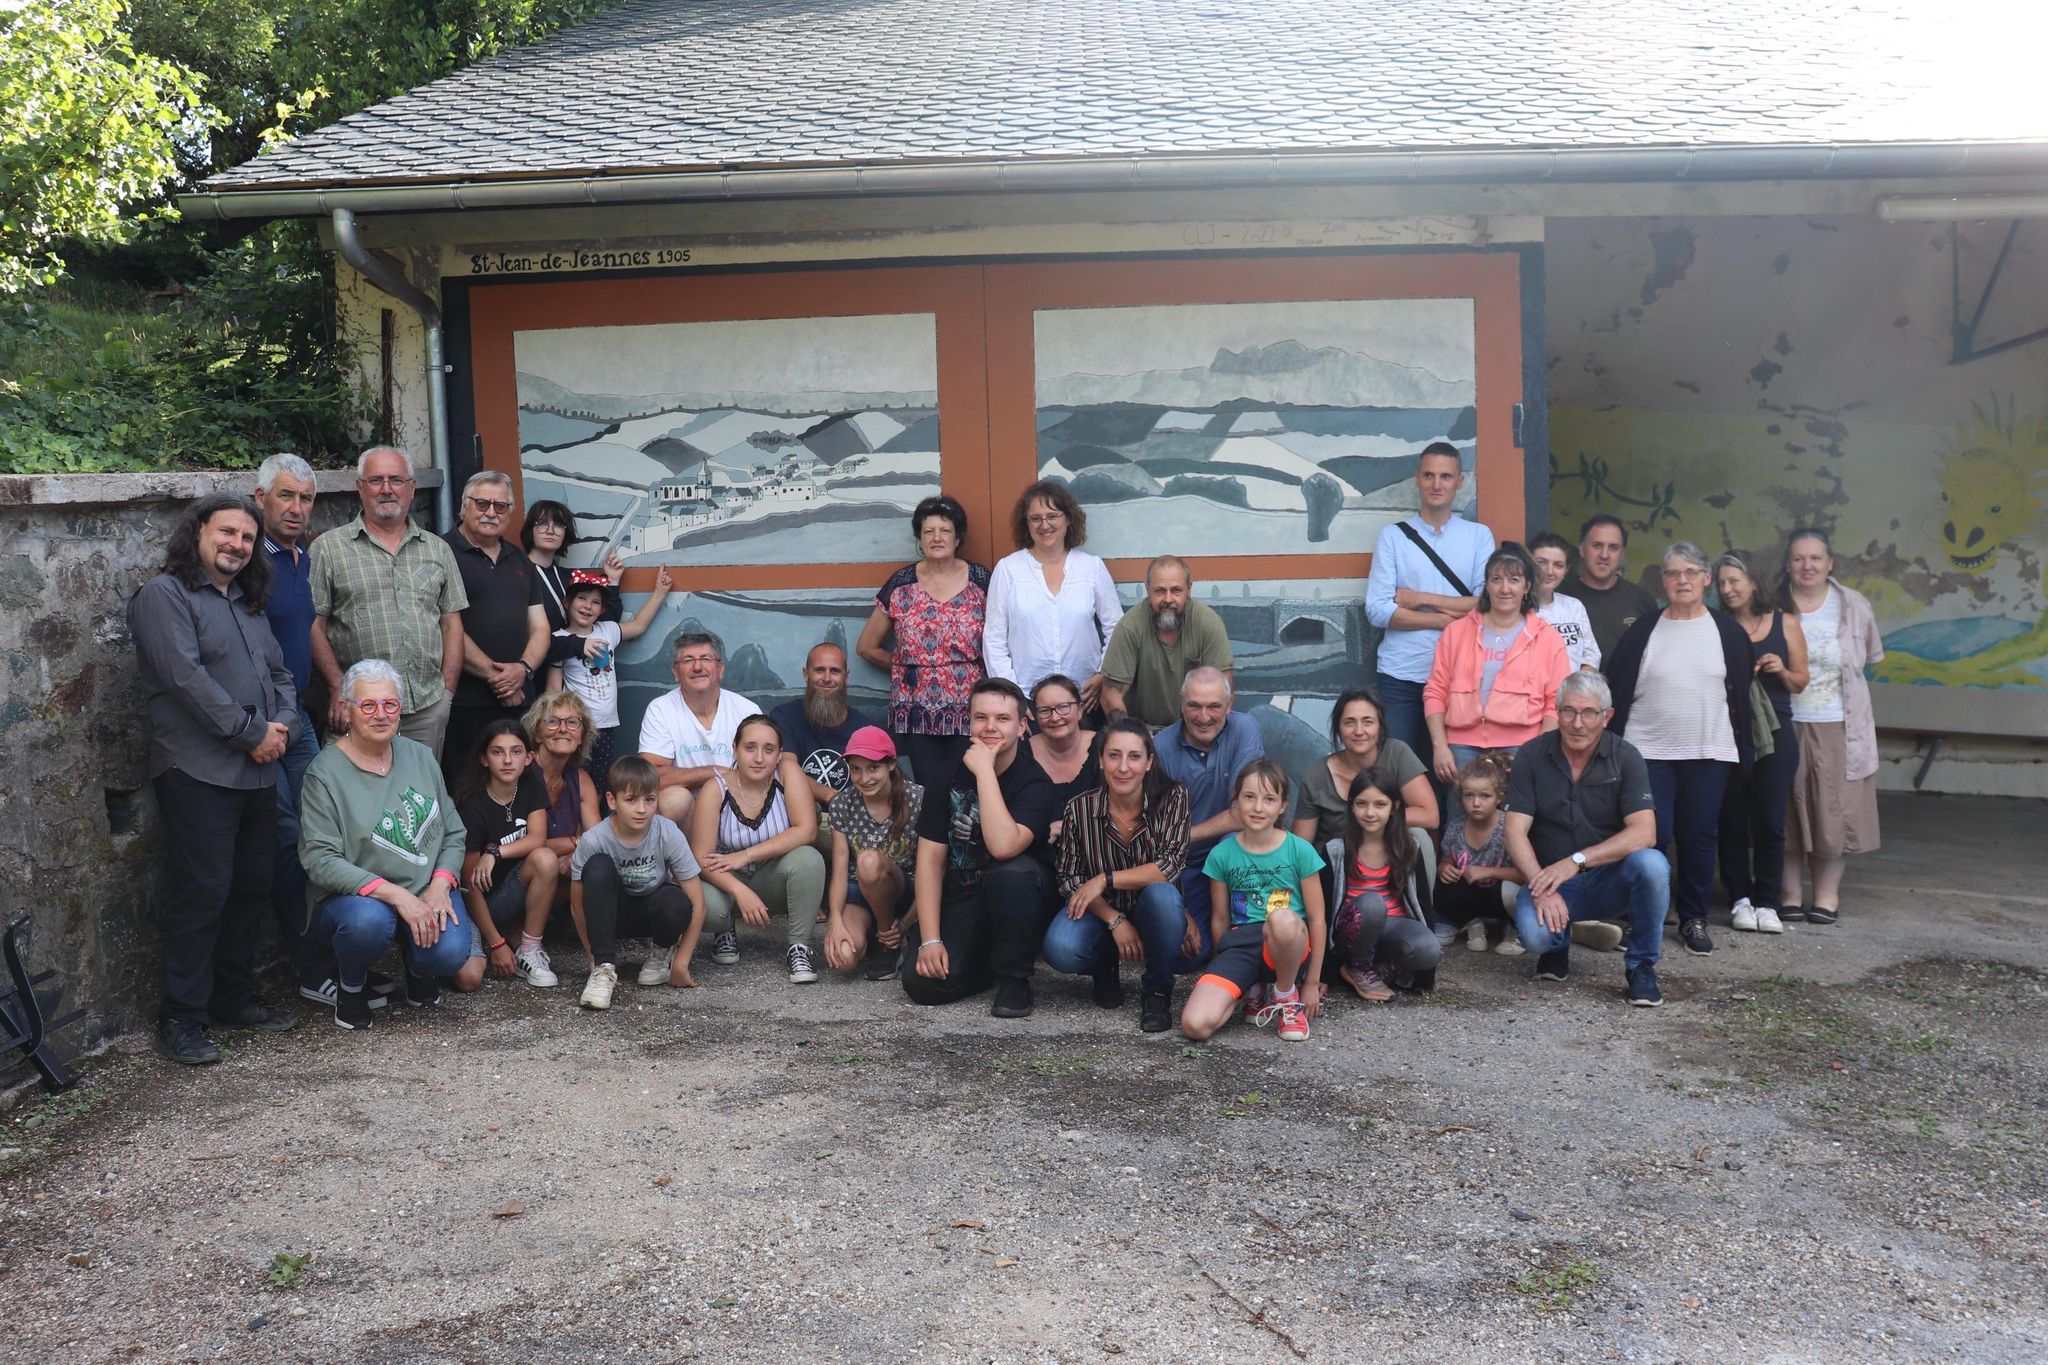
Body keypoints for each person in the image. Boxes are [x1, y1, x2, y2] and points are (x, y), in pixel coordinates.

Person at [129, 494, 301, 1065]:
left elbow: (279, 672)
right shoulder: (165, 596)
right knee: (200, 894)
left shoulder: (248, 603)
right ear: (198, 533)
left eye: (247, 538)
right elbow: (186, 679)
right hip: (196, 771)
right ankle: (181, 1018)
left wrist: (284, 726)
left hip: (255, 774)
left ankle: (232, 998)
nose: (237, 545)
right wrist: (254, 734)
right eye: (227, 533)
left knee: (251, 886)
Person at [252, 453, 378, 1009]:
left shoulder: (302, 558)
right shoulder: (249, 560)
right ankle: (310, 969)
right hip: (259, 724)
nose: (298, 507)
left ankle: (340, 961)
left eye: (306, 498)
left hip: (298, 715)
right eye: (286, 496)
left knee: (321, 837)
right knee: (286, 843)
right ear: (260, 499)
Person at [298, 659, 483, 1029]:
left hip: (425, 888)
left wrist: (440, 885)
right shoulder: (324, 773)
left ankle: (419, 968)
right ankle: (351, 985)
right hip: (358, 901)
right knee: (368, 923)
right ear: (347, 711)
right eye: (368, 705)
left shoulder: (420, 756)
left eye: (390, 704)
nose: (380, 714)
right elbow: (319, 859)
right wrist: (399, 897)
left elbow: (452, 831)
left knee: (449, 954)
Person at [1604, 542, 1755, 957]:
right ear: (1663, 580)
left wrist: (1746, 752)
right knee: (1652, 836)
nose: (1682, 580)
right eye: (1673, 573)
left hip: (1710, 750)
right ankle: (1643, 916)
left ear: (1707, 578)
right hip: (1647, 750)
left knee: (1698, 836)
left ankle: (1693, 918)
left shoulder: (1727, 632)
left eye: (1691, 572)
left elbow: (1741, 697)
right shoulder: (1644, 629)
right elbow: (1617, 686)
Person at [1504, 673, 1669, 1007]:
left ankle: (1641, 967)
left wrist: (1575, 861)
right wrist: (1541, 887)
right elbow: (1514, 831)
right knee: (1535, 938)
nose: (1578, 723)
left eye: (1589, 713)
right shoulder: (1531, 755)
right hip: (1550, 879)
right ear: (1557, 711)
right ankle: (1558, 942)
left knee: (1653, 865)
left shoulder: (1626, 756)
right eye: (1569, 711)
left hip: (1609, 879)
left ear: (1606, 716)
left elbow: (1644, 832)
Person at [903, 678, 1060, 1016]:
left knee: (1012, 875)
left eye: (1003, 719)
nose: (990, 727)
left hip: (1018, 896)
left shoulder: (1034, 782)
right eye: (981, 717)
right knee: (923, 986)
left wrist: (985, 773)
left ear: (1022, 726)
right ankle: (986, 965)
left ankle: (1015, 978)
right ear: (969, 721)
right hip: (964, 893)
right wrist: (931, 940)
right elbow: (930, 862)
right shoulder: (946, 776)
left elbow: (1003, 846)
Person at [310, 446, 465, 755]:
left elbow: (451, 623)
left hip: (426, 706)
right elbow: (313, 624)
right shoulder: (328, 549)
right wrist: (337, 686)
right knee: (356, 796)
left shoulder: (437, 550)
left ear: (411, 487)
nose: (386, 489)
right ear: (360, 487)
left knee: (417, 798)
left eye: (396, 480)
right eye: (376, 480)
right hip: (358, 708)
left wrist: (446, 692)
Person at [1042, 719, 1192, 1032]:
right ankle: (1104, 965)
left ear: (1149, 761)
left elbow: (1170, 866)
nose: (1123, 767)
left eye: (1134, 756)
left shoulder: (1173, 798)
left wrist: (1105, 879)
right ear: (1100, 759)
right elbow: (1069, 878)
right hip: (1102, 911)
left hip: (1152, 906)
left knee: (1164, 897)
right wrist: (1113, 919)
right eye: (1114, 755)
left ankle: (1157, 992)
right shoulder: (1079, 809)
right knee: (1061, 947)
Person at [1777, 527, 1884, 926]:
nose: (1807, 566)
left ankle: (1826, 896)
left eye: (1815, 558)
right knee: (1787, 809)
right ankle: (1788, 893)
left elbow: (1869, 657)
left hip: (1839, 724)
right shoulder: (1774, 604)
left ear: (1829, 563)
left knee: (1832, 813)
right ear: (1788, 565)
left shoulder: (1853, 605)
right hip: (1784, 721)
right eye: (1799, 558)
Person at [1364, 442, 1496, 760]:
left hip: (1461, 676)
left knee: (1457, 777)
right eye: (1429, 475)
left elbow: (1487, 602)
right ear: (1418, 479)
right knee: (1399, 771)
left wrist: (1418, 599)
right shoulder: (1393, 537)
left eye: (1446, 477)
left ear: (1460, 482)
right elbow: (1378, 610)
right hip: (1402, 675)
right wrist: (1442, 620)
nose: (1437, 485)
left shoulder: (1479, 536)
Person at [1180, 758, 1326, 1044]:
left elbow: (1318, 919)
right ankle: (1252, 990)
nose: (1258, 808)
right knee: (1195, 1026)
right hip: (1241, 946)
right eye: (1249, 797)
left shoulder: (1300, 850)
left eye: (1269, 799)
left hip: (1288, 945)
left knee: (1280, 918)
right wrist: (1222, 972)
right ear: (1236, 802)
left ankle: (1285, 995)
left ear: (1283, 806)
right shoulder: (1222, 855)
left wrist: (1311, 983)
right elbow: (1220, 918)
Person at [858, 494, 990, 787]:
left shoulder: (982, 580)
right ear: (919, 538)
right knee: (929, 789)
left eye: (945, 530)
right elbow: (866, 646)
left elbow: (1003, 639)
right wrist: (906, 667)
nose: (936, 537)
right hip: (917, 710)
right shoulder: (901, 583)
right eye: (928, 531)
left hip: (969, 706)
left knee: (967, 787)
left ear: (958, 538)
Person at [689, 714, 828, 983]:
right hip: (727, 882)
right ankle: (725, 929)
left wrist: (745, 855)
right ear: (735, 749)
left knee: (809, 859)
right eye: (750, 748)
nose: (759, 758)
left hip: (771, 878)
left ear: (778, 755)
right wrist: (740, 891)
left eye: (768, 750)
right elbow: (701, 857)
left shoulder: (788, 775)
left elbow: (806, 830)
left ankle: (799, 946)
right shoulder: (714, 788)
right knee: (710, 908)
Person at [1422, 542, 1570, 782]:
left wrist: (1540, 753)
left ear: (1527, 586)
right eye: (1496, 579)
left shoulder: (1548, 638)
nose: (1505, 588)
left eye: (1514, 580)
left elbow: (1556, 701)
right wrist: (1440, 747)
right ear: (1487, 585)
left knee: (1514, 817)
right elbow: (1435, 692)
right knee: (1461, 817)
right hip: (1461, 747)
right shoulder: (1456, 632)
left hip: (1522, 747)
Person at [1715, 550, 1808, 934]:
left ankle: (1767, 901)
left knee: (1771, 819)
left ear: (1754, 581)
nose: (1728, 588)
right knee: (1731, 818)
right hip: (1728, 731)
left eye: (1734, 580)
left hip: (1775, 731)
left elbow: (1801, 680)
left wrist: (1780, 669)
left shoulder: (1784, 623)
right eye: (1722, 582)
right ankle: (1739, 897)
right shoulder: (1716, 625)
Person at [569, 755, 707, 1009]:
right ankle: (604, 968)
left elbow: (698, 902)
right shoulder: (594, 839)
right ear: (612, 800)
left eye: (649, 800)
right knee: (598, 867)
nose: (642, 809)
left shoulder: (667, 832)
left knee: (676, 902)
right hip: (612, 916)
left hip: (652, 913)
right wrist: (592, 955)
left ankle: (662, 951)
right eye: (631, 800)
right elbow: (577, 904)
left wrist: (682, 963)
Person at [443, 470, 549, 784]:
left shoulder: (520, 561)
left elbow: (541, 627)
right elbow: (444, 625)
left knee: (516, 788)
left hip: (519, 702)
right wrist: (499, 679)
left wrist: (523, 670)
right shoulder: (440, 553)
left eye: (500, 506)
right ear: (463, 507)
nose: (491, 512)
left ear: (510, 513)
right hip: (465, 702)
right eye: (482, 503)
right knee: (464, 787)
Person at [982, 480, 1122, 712]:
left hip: (1085, 698)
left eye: (1052, 516)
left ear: (1068, 519)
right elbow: (993, 639)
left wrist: (1103, 673)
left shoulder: (1092, 567)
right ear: (1026, 524)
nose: (1044, 525)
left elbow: (1116, 627)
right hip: (1027, 699)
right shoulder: (1008, 570)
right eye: (1035, 518)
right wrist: (1012, 694)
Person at [1154, 667, 1264, 938]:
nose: (1204, 717)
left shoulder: (1244, 728)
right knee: (1185, 955)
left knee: (1232, 844)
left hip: (1235, 857)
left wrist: (1182, 836)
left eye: (1214, 706)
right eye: (1194, 706)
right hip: (1184, 865)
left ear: (1230, 705)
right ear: (1181, 705)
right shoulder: (1161, 747)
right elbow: (1156, 837)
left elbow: (1244, 814)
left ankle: (1244, 939)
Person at [545, 566, 673, 793]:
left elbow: (639, 625)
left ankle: (598, 822)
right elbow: (554, 689)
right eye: (581, 599)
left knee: (602, 783)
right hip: (577, 728)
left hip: (606, 727)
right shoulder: (559, 640)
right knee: (574, 783)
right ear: (567, 603)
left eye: (595, 602)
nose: (587, 606)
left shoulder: (608, 630)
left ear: (602, 609)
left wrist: (659, 593)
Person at [453, 720, 560, 988]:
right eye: (497, 752)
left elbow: (538, 838)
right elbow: (470, 887)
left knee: (544, 858)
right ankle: (496, 938)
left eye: (516, 751)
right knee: (469, 979)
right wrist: (496, 943)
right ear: (484, 759)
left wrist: (495, 853)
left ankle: (529, 950)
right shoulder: (472, 806)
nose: (508, 760)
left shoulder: (531, 783)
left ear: (529, 757)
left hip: (506, 895)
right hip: (473, 905)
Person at [1326, 766, 1440, 1003]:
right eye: (1361, 804)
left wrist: (1427, 976)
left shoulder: (1409, 847)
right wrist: (1321, 975)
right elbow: (1324, 911)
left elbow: (1422, 903)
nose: (1370, 812)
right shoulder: (1337, 849)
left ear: (1394, 807)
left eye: (1380, 804)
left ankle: (1378, 970)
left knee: (1430, 949)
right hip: (1353, 928)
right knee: (1372, 904)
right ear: (1351, 806)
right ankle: (1356, 966)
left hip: (1394, 925)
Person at [821, 727, 925, 980]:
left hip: (906, 890)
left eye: (872, 768)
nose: (864, 778)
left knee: (868, 861)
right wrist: (834, 921)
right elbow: (840, 869)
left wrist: (906, 923)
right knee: (842, 958)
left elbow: (932, 871)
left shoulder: (917, 798)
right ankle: (876, 936)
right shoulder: (842, 803)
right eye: (856, 769)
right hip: (862, 894)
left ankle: (887, 944)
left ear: (890, 764)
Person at [638, 631, 762, 827]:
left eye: (705, 658)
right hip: (690, 818)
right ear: (675, 671)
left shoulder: (747, 710)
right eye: (688, 660)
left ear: (720, 668)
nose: (697, 667)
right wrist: (714, 772)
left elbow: (765, 769)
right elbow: (649, 777)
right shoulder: (661, 709)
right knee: (673, 799)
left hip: (740, 808)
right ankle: (687, 857)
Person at [1099, 556, 1233, 730]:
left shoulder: (1208, 623)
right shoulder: (1129, 627)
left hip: (1196, 730)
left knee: (1245, 725)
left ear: (1189, 589)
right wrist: (1133, 738)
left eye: (1176, 590)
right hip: (1144, 732)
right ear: (1148, 589)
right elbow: (1110, 695)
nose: (1168, 599)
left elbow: (1224, 690)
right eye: (1160, 591)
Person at [767, 641, 883, 833]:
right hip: (795, 818)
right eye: (819, 670)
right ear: (806, 674)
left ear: (846, 677)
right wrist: (832, 796)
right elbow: (785, 770)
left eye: (835, 671)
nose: (827, 678)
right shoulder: (784, 716)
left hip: (851, 821)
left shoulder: (865, 728)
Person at [1434, 754, 1525, 955]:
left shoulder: (1509, 827)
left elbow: (1525, 874)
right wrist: (1445, 867)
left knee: (1513, 892)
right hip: (1473, 894)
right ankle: (1472, 923)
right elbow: (1448, 857)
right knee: (1442, 884)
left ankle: (1516, 928)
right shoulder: (1456, 827)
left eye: (1485, 796)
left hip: (1501, 895)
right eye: (1469, 795)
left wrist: (1487, 872)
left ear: (1499, 798)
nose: (1476, 803)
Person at [526, 689, 602, 910]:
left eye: (572, 723)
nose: (562, 729)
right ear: (537, 734)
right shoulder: (521, 773)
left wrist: (578, 853)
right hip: (517, 873)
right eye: (552, 721)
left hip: (560, 875)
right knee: (545, 860)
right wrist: (575, 842)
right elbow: (517, 845)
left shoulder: (581, 780)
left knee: (598, 864)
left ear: (581, 736)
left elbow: (597, 839)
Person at [1556, 514, 1658, 662]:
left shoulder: (1642, 600)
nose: (1604, 555)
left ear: (1622, 553)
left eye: (1613, 548)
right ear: (1582, 550)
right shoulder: (1562, 602)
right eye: (1597, 545)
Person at [521, 499, 623, 633]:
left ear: (565, 533)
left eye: (558, 525)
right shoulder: (517, 575)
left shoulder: (571, 577)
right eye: (542, 523)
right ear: (530, 529)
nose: (550, 531)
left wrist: (613, 580)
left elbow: (607, 620)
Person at [1027, 673, 1100, 838]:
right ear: (1036, 716)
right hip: (1038, 849)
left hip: (1095, 846)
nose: (1055, 717)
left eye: (1063, 707)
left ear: (1080, 710)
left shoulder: (1104, 747)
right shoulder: (1023, 753)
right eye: (1045, 711)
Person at [1529, 531, 1601, 672]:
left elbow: (1591, 655)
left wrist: (1576, 690)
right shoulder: (1516, 609)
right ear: (1527, 564)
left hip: (1573, 692)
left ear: (1566, 571)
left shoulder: (1574, 606)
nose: (1549, 571)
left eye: (1558, 565)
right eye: (1541, 563)